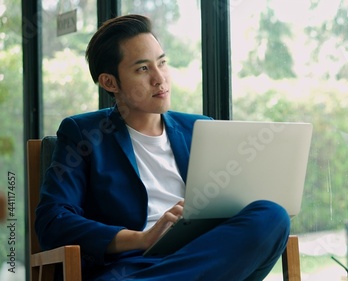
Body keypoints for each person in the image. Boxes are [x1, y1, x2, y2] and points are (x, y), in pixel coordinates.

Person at [35, 14, 290, 281]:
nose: (160, 79)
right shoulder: (83, 134)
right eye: (143, 69)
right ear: (110, 82)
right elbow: (52, 220)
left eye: (162, 63)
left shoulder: (200, 128)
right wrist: (141, 239)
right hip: (132, 266)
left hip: (199, 256)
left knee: (272, 215)